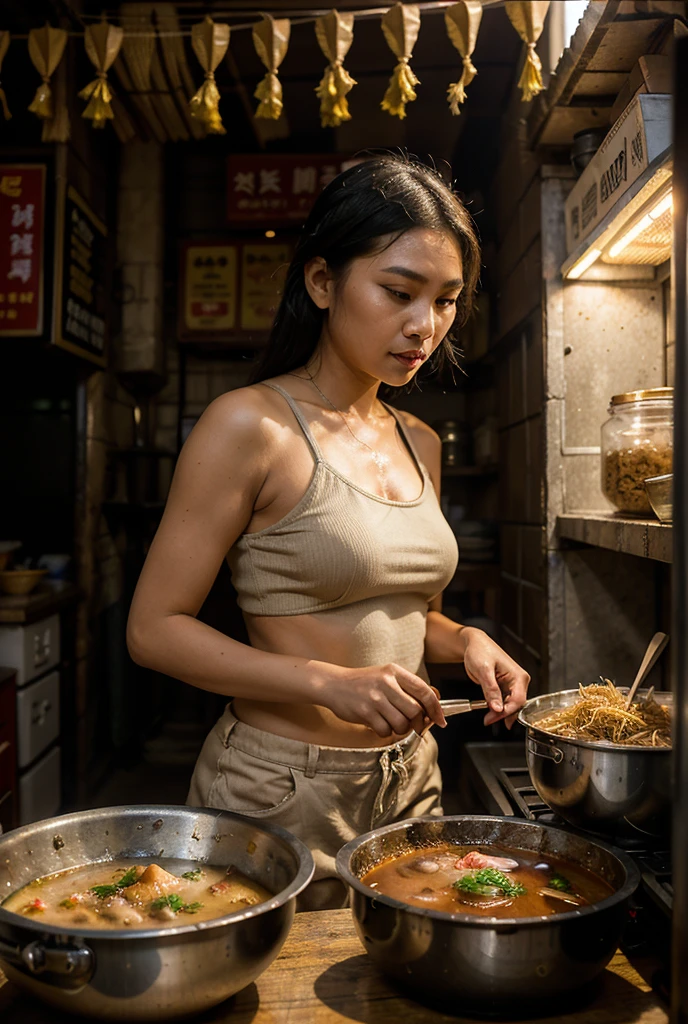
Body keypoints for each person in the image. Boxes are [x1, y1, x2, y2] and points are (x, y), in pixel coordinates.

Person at [127, 155, 530, 910]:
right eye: (399, 292)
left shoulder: (420, 441)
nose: (425, 325)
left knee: (402, 972)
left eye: (446, 301)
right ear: (322, 281)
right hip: (280, 786)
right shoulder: (251, 425)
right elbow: (153, 631)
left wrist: (467, 641)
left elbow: (405, 618)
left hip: (411, 779)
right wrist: (329, 683)